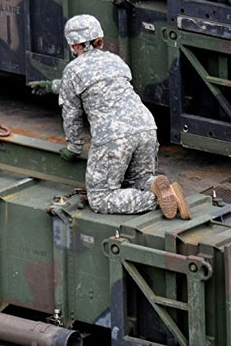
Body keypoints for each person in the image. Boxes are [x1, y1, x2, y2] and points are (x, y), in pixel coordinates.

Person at [46, 14, 190, 219]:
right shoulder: (115, 60)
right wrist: (53, 86)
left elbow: (72, 113)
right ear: (99, 38)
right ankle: (156, 185)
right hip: (146, 126)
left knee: (101, 198)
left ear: (74, 44)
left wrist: (74, 147)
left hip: (113, 136)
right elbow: (102, 85)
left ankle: (155, 200)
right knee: (139, 179)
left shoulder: (73, 70)